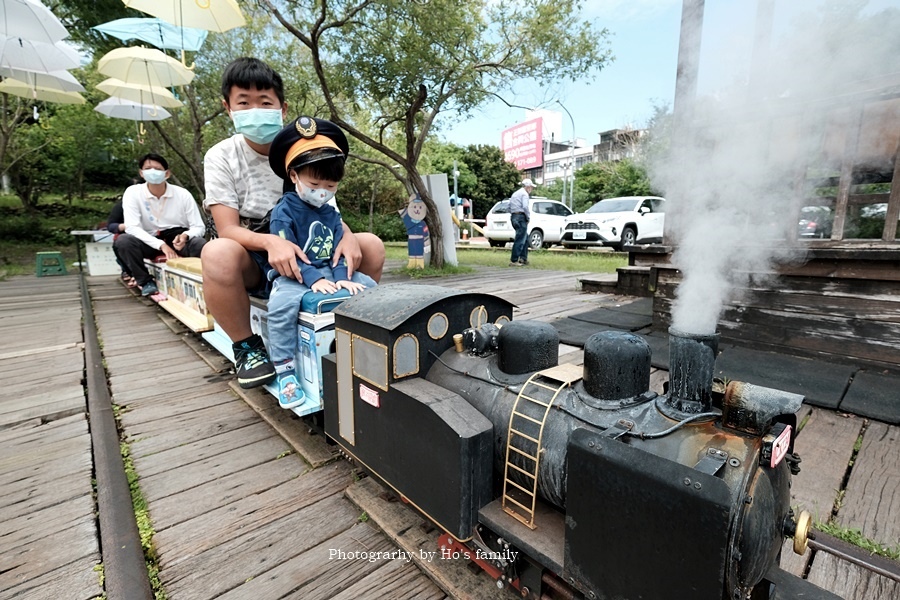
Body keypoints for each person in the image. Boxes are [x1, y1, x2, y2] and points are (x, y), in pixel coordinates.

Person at [201, 57, 385, 390]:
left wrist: (346, 237)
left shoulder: (309, 151)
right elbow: (227, 228)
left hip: (315, 250)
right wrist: (273, 242)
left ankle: (355, 325)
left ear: (282, 108)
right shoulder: (221, 156)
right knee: (217, 252)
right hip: (256, 258)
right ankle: (248, 348)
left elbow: (331, 214)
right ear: (227, 107)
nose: (255, 109)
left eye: (265, 102)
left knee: (369, 242)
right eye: (244, 102)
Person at [265, 116, 376, 408]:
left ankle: (373, 351)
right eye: (314, 183)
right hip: (292, 274)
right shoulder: (283, 211)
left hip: (328, 271)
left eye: (330, 185)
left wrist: (343, 277)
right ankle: (285, 369)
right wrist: (314, 280)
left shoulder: (330, 212)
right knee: (280, 307)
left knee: (372, 287)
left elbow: (339, 250)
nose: (322, 191)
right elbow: (287, 252)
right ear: (294, 177)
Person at [114, 154, 207, 296]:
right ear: (141, 173)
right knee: (123, 241)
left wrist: (185, 235)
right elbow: (132, 227)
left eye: (157, 169)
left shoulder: (182, 194)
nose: (153, 172)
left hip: (176, 237)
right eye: (148, 168)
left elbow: (199, 227)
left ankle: (207, 279)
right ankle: (145, 281)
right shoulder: (133, 192)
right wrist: (160, 245)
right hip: (148, 239)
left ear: (167, 173)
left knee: (200, 243)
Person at [509, 178, 534, 266]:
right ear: (528, 187)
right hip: (521, 217)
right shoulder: (524, 194)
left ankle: (523, 258)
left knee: (525, 238)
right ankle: (514, 260)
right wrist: (528, 217)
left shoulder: (515, 193)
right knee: (520, 239)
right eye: (531, 187)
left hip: (514, 216)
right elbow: (525, 207)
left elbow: (509, 205)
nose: (532, 189)